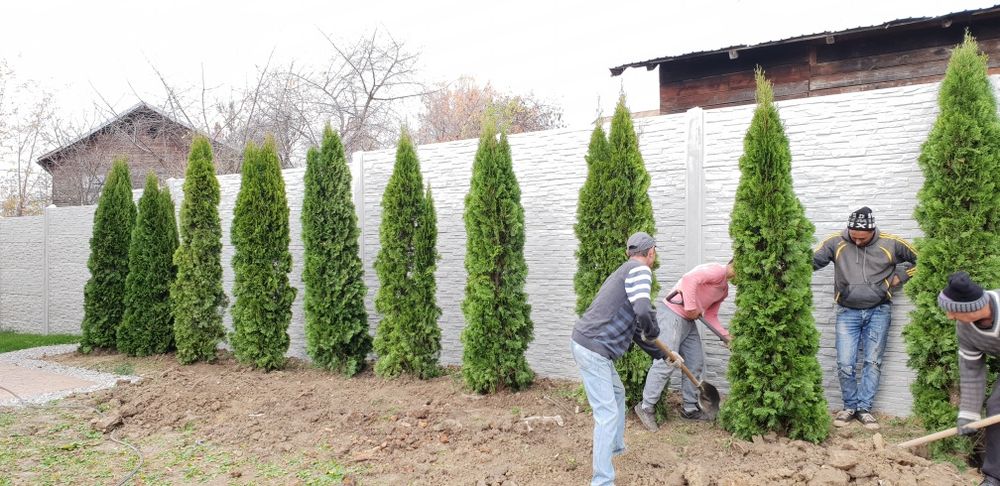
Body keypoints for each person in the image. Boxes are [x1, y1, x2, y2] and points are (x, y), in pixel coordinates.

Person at [813, 206, 917, 430]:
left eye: (862, 238)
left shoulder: (891, 243)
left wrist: (898, 277)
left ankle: (864, 409)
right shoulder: (835, 242)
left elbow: (922, 259)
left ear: (873, 231)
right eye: (854, 236)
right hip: (847, 311)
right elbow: (810, 262)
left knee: (872, 362)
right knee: (845, 363)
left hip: (879, 310)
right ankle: (849, 407)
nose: (857, 241)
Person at [571, 232, 661, 486]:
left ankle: (616, 447)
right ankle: (602, 481)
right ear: (651, 252)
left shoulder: (623, 272)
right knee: (607, 413)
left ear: (629, 252)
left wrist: (660, 354)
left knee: (617, 393)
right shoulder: (640, 271)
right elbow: (643, 311)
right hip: (594, 349)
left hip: (586, 344)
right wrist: (654, 331)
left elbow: (634, 328)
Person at [633, 260, 734, 432]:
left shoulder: (724, 289)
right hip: (673, 313)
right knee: (667, 361)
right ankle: (645, 407)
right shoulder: (717, 270)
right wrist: (691, 306)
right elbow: (689, 280)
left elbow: (710, 316)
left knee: (695, 362)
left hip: (688, 320)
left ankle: (690, 409)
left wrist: (725, 337)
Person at [937, 271, 1000, 486]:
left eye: (953, 312)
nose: (949, 316)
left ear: (971, 309)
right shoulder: (965, 328)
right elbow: (972, 371)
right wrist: (969, 414)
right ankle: (994, 476)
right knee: (996, 407)